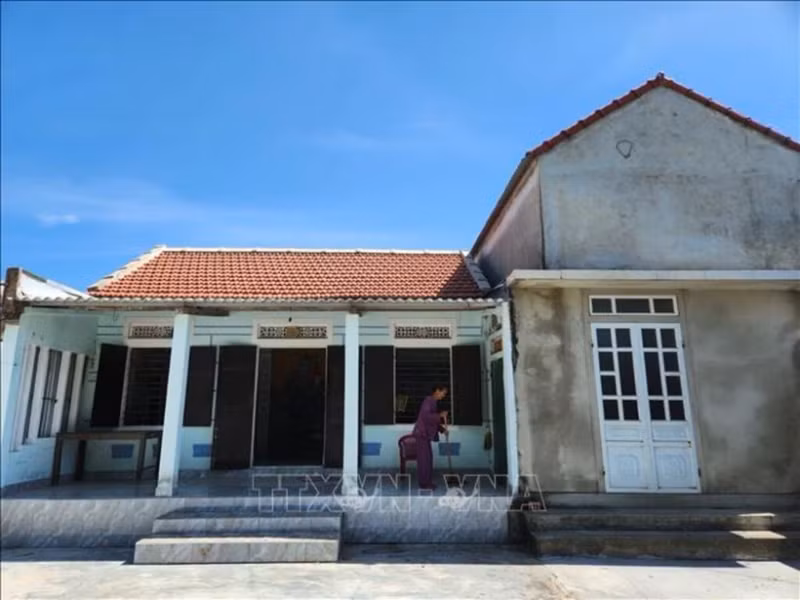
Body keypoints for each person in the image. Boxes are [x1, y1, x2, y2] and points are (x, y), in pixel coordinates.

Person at [412, 385, 449, 490]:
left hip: (424, 435)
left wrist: (443, 430)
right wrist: (440, 415)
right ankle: (424, 484)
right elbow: (426, 416)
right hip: (421, 434)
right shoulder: (428, 401)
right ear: (437, 390)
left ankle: (426, 482)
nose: (443, 396)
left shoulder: (433, 403)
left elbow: (433, 421)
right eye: (443, 393)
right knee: (424, 459)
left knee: (427, 458)